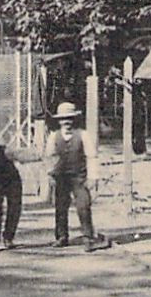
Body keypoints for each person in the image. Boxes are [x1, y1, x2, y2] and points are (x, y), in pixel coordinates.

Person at [44, 101, 110, 251]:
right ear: (59, 120)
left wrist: (93, 177)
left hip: (79, 178)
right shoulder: (54, 136)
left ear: (74, 119)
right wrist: (50, 175)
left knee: (83, 206)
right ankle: (61, 236)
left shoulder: (83, 135)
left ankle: (88, 237)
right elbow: (49, 157)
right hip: (61, 178)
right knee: (60, 207)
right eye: (63, 118)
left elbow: (92, 156)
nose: (66, 122)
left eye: (69, 118)